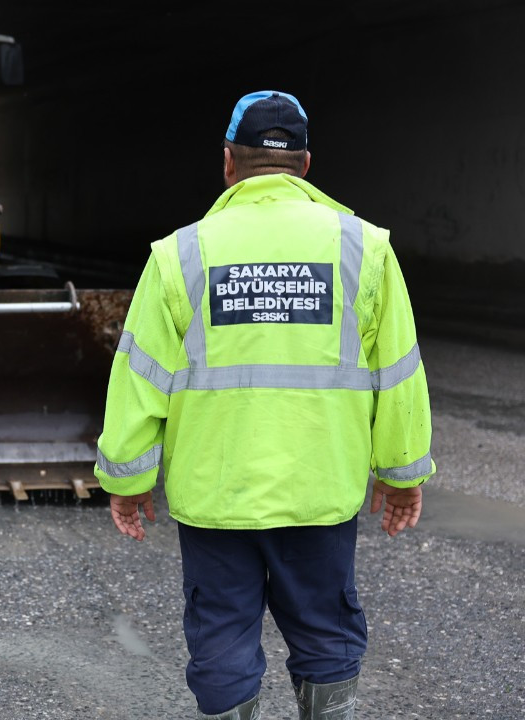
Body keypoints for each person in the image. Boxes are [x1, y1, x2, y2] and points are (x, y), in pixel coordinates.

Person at [94, 90, 434, 720]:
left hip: (216, 495)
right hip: (319, 490)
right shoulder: (365, 248)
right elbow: (399, 374)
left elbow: (139, 380)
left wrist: (129, 480)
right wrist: (402, 473)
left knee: (221, 635)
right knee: (327, 635)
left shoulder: (180, 254)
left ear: (228, 162)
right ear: (306, 165)